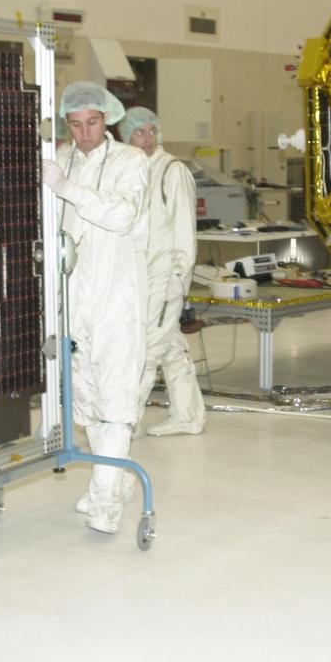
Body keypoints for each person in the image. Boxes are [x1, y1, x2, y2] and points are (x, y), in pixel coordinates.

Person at [41, 82, 149, 534]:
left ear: (108, 119)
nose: (85, 133)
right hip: (73, 299)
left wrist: (68, 189)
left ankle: (106, 501)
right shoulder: (60, 160)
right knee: (84, 399)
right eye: (75, 124)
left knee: (116, 397)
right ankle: (112, 476)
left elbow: (122, 216)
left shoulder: (130, 161)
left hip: (116, 298)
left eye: (93, 122)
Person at [117, 106, 206, 437]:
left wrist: (178, 280)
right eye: (139, 132)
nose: (147, 138)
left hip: (164, 277)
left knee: (146, 350)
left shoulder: (171, 171)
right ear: (126, 136)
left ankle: (126, 423)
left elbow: (185, 230)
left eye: (151, 131)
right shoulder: (133, 171)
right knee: (170, 347)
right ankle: (188, 416)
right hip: (139, 277)